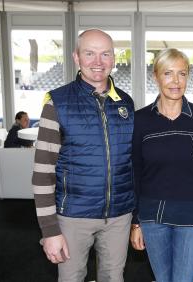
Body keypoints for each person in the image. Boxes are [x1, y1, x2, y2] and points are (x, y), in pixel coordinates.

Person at [32, 29, 135, 281]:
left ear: (113, 58)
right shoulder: (57, 102)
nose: (98, 62)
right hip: (73, 217)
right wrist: (49, 230)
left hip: (119, 216)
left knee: (114, 277)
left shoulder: (126, 102)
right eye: (89, 53)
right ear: (76, 57)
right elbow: (42, 172)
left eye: (105, 54)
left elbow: (131, 163)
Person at [129, 48, 193, 282]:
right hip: (152, 216)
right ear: (155, 76)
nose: (176, 81)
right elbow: (135, 172)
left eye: (182, 74)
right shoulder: (140, 120)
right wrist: (135, 221)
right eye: (168, 73)